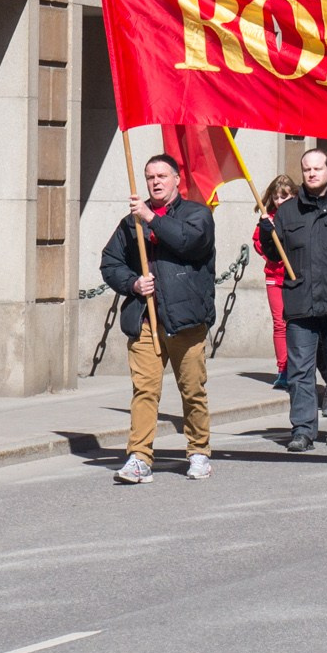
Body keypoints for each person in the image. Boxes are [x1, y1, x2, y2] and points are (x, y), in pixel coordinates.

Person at [100, 154, 217, 484]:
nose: (155, 182)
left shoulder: (197, 215)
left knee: (192, 391)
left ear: (177, 179)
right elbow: (110, 263)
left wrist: (150, 217)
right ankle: (139, 457)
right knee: (144, 391)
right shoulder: (131, 223)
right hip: (146, 321)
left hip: (186, 321)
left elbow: (190, 243)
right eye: (150, 177)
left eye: (162, 176)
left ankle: (198, 452)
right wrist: (133, 283)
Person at [259, 147, 327, 453]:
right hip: (300, 304)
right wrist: (268, 234)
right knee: (300, 371)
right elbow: (275, 255)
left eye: (317, 168)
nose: (311, 174)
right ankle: (302, 430)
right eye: (307, 169)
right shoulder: (288, 212)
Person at [256, 174, 296, 390]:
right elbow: (257, 242)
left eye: (285, 196)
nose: (280, 201)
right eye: (276, 197)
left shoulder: (299, 216)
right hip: (275, 276)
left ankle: (299, 366)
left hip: (295, 277)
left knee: (296, 324)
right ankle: (283, 370)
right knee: (280, 323)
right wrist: (269, 251)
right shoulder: (267, 218)